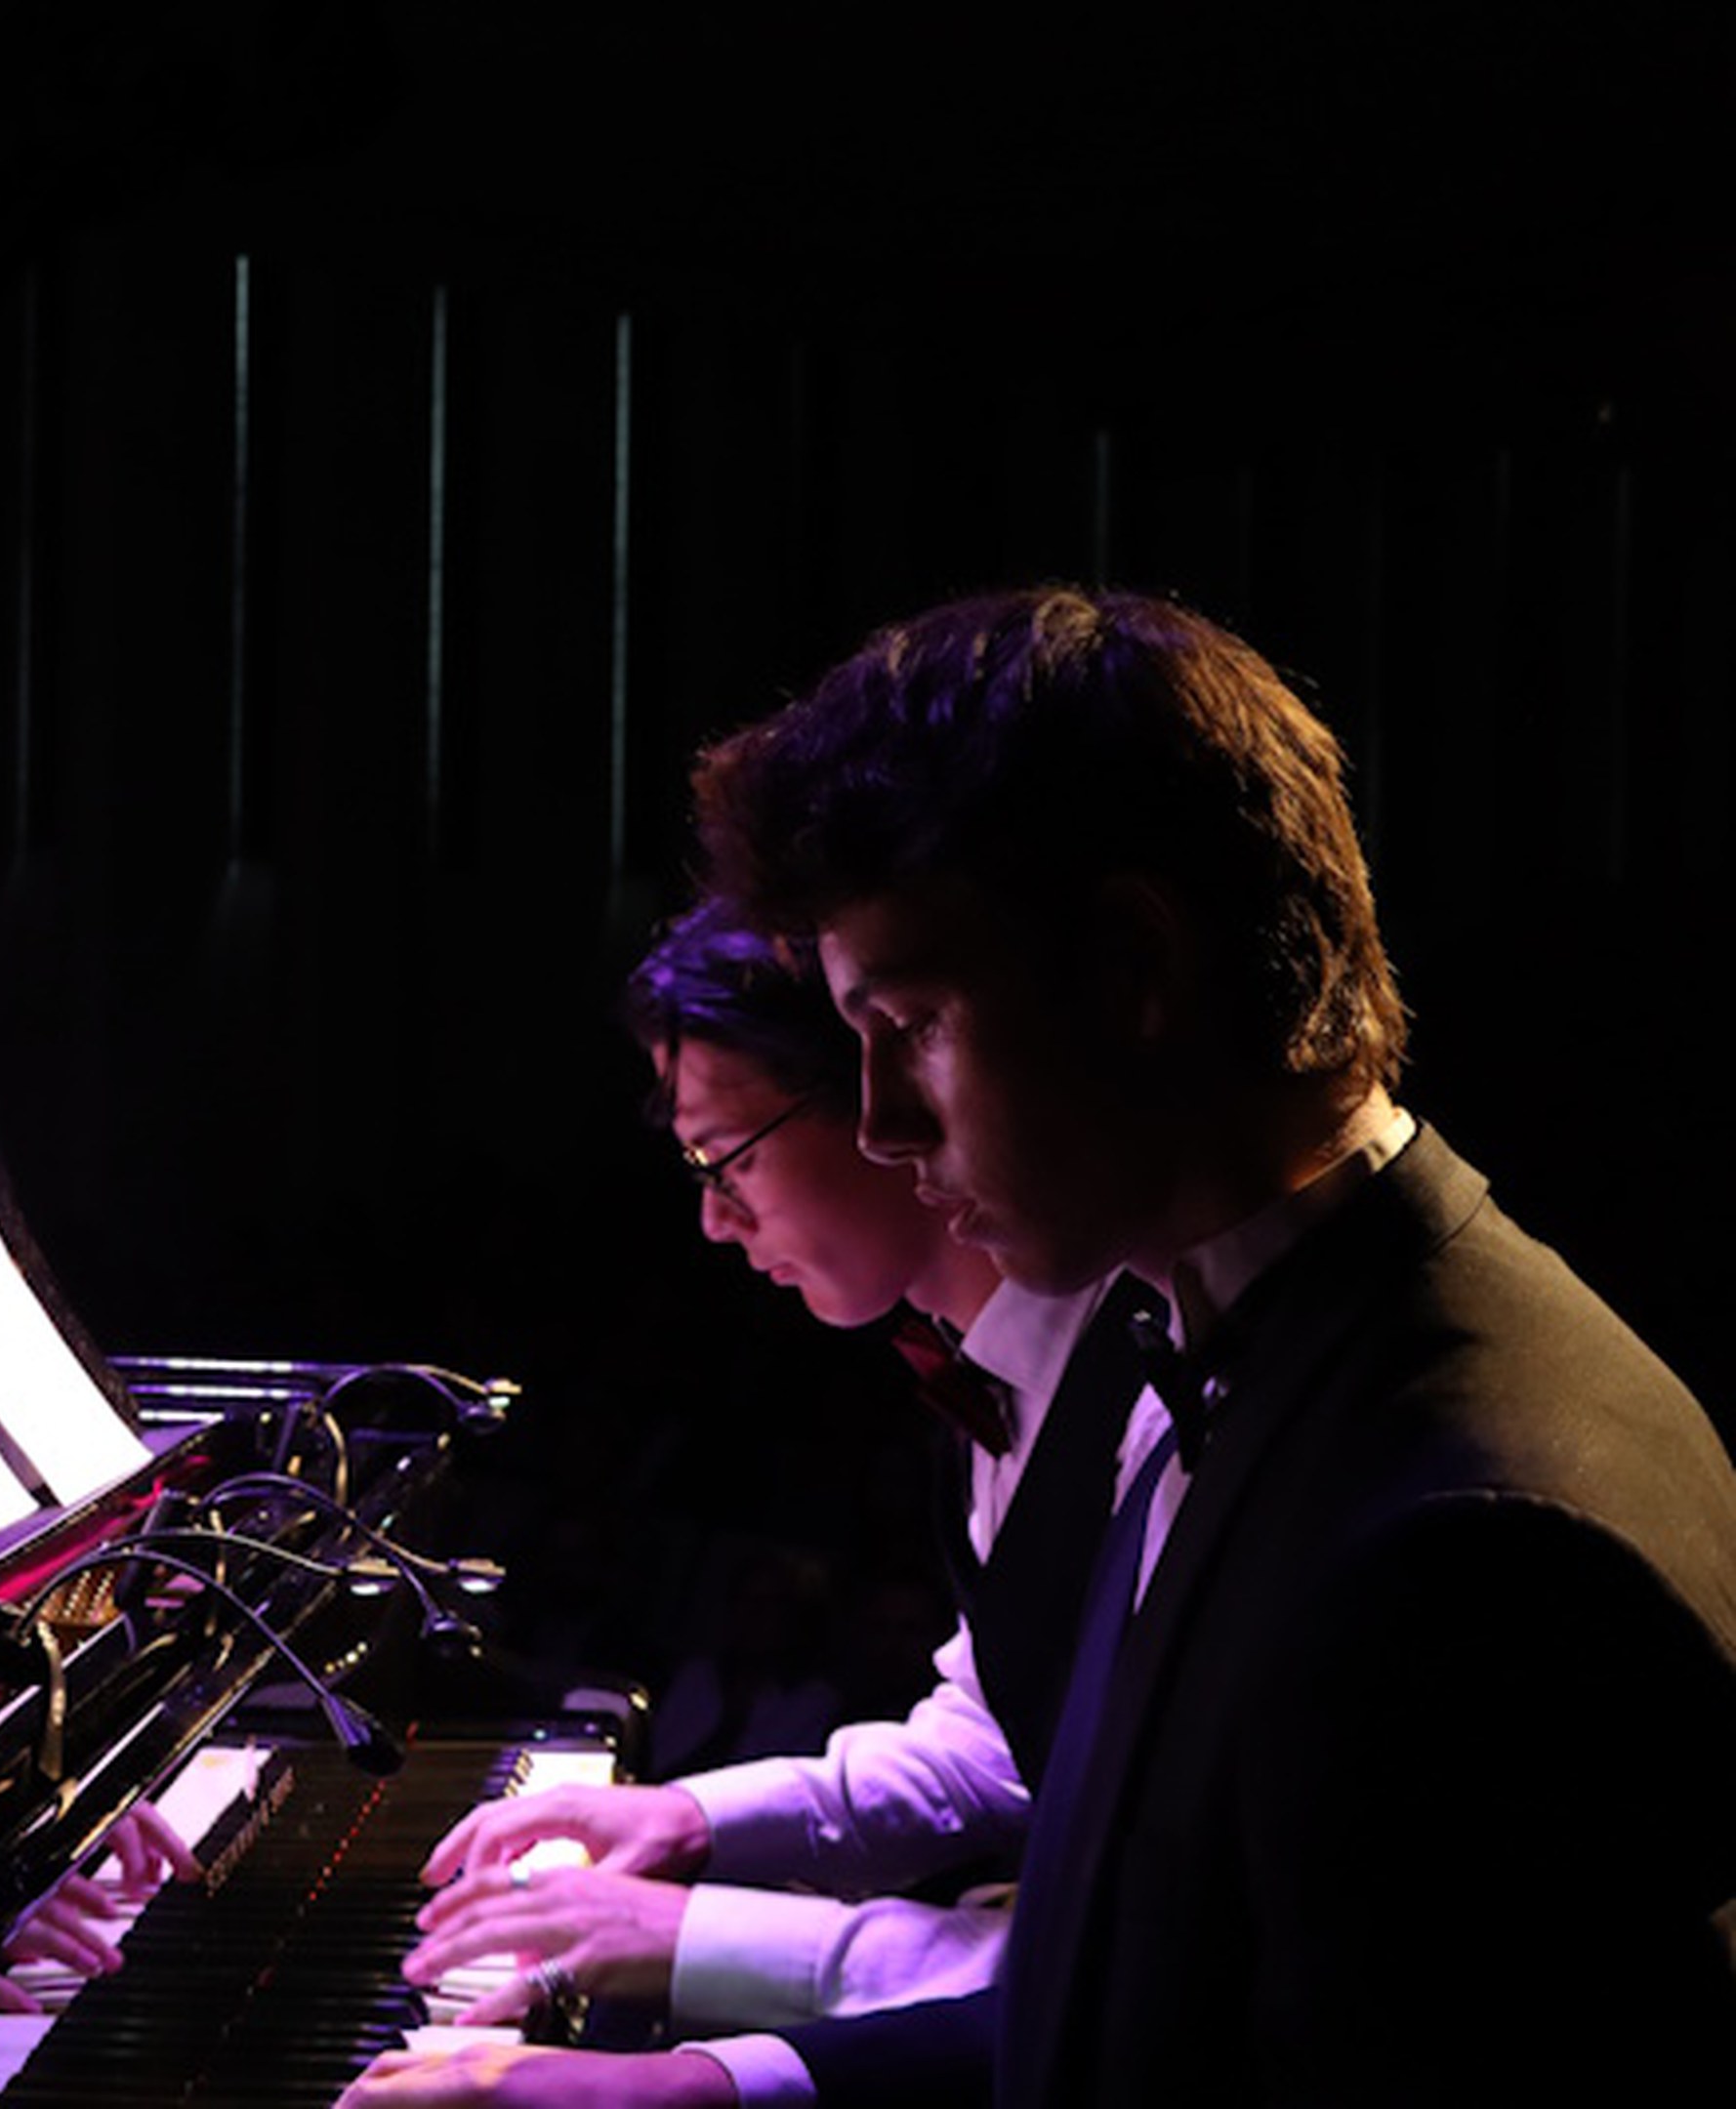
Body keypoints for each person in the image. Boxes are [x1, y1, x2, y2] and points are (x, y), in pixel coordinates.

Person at [665, 584, 1736, 2106]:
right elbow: (1143, 2001)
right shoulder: (1234, 1347)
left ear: (1131, 970)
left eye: (910, 1026)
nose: (881, 1123)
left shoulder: (1471, 1540)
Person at [359, 901, 1148, 2101]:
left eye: (725, 1158)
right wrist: (687, 1818)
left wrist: (696, 1954)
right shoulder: (995, 1371)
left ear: (884, 1096)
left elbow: (1148, 1987)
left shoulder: (1141, 1396)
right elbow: (998, 1745)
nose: (713, 1220)